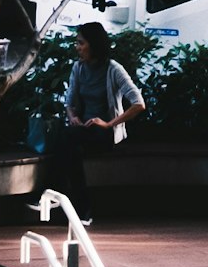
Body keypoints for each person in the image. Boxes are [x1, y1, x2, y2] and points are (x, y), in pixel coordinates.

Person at [36, 20, 145, 211]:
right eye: (77, 43)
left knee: (67, 139)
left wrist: (108, 123)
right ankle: (82, 209)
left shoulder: (113, 69)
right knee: (72, 148)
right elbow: (69, 102)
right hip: (82, 131)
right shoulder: (78, 68)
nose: (77, 47)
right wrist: (72, 116)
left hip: (104, 133)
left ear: (94, 45)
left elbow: (139, 104)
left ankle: (49, 193)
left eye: (81, 43)